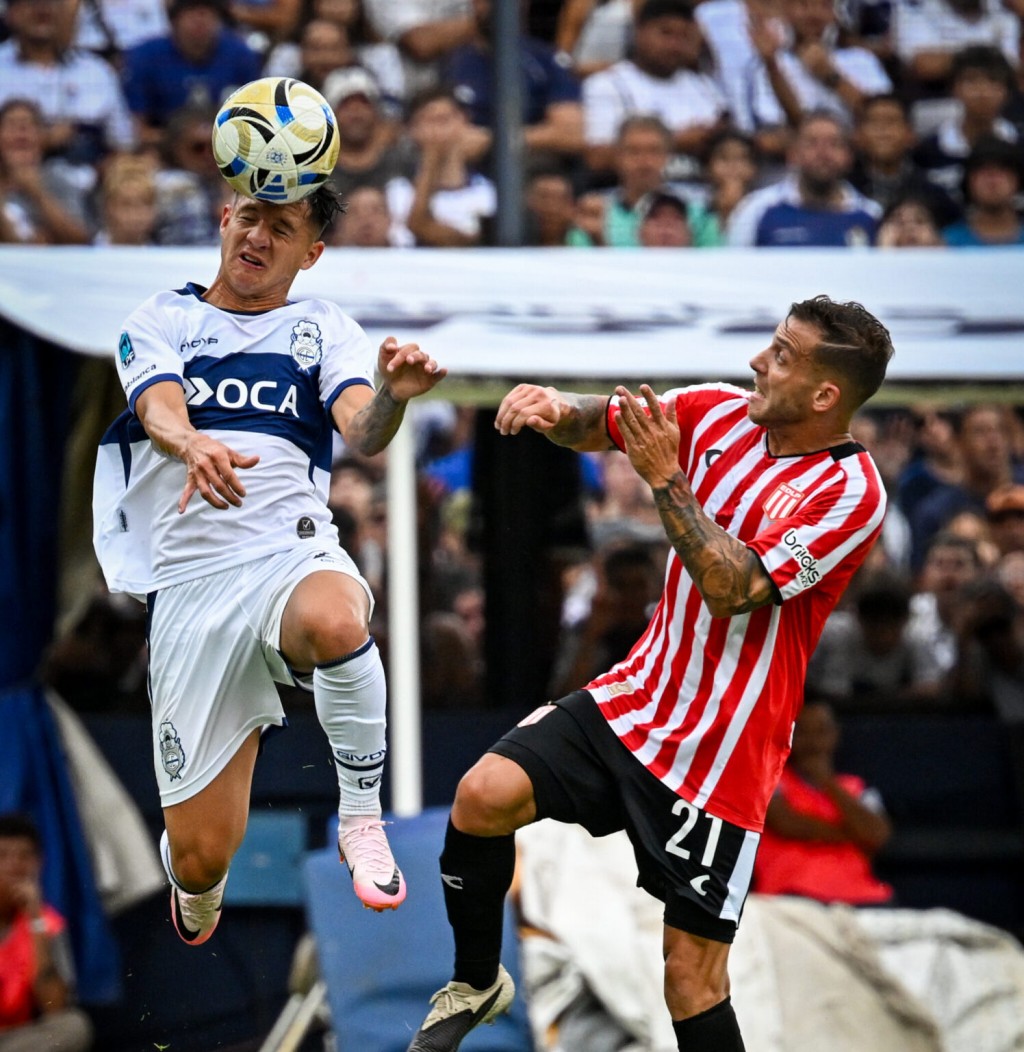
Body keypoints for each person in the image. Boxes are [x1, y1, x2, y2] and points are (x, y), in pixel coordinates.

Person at [404, 294, 894, 1051]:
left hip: (723, 753)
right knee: (482, 795)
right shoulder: (717, 410)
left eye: (782, 356)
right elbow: (600, 420)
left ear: (826, 395)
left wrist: (668, 481)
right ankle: (476, 982)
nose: (758, 362)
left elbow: (733, 589)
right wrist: (553, 408)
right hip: (638, 698)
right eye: (770, 344)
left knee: (690, 980)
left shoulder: (850, 492)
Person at [91, 182, 447, 945]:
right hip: (190, 587)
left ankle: (361, 819)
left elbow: (363, 429)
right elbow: (158, 407)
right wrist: (192, 441)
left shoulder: (323, 328)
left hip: (290, 552)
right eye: (249, 218)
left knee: (337, 620)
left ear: (310, 253)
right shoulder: (162, 318)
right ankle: (196, 882)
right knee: (201, 857)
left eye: (281, 229)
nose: (257, 236)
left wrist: (392, 395)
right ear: (224, 219)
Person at [753, 699, 894, 905]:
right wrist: (854, 834)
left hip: (860, 897)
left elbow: (877, 835)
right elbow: (787, 824)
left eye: (821, 732)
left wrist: (827, 782)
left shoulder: (857, 787)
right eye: (803, 732)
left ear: (835, 735)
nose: (813, 742)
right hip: (791, 896)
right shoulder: (770, 779)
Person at [582, 0, 729, 182]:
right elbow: (597, 158)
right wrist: (676, 142)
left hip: (702, 189)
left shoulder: (703, 85)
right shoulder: (608, 84)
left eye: (683, 36)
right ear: (639, 32)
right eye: (665, 33)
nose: (674, 45)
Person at [0, 813, 93, 1052]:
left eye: (24, 856)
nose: (14, 866)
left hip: (18, 1039)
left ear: (39, 863)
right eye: (3, 856)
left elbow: (55, 1007)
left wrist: (35, 921)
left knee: (74, 1026)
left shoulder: (47, 922)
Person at [121, 0, 263, 149]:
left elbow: (257, 119)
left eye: (206, 14)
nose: (199, 21)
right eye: (191, 13)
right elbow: (138, 128)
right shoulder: (146, 56)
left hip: (229, 143)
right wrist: (184, 143)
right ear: (174, 20)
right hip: (164, 145)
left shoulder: (240, 54)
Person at [727, 110, 881, 246]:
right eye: (811, 143)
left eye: (834, 144)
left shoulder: (871, 214)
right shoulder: (757, 209)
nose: (823, 153)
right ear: (793, 154)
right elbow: (734, 264)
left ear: (849, 156)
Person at [942, 135, 1024, 246]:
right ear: (969, 182)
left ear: (1017, 180)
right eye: (983, 171)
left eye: (1002, 171)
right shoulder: (947, 242)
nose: (992, 180)